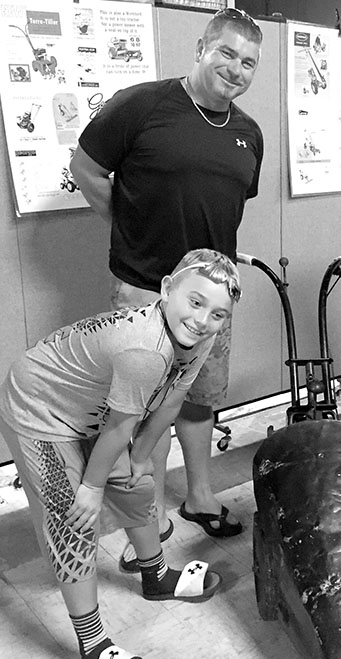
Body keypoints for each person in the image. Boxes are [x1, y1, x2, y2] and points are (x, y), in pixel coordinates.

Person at [70, 8, 264, 565]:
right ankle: (147, 518)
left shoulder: (248, 134)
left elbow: (226, 206)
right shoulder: (143, 105)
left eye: (248, 61)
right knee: (140, 412)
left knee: (198, 401)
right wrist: (128, 225)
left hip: (213, 301)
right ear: (201, 47)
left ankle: (199, 497)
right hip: (144, 296)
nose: (235, 68)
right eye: (226, 53)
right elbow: (85, 168)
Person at [0, 249, 242, 659]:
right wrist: (91, 487)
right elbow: (120, 426)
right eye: (195, 302)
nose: (203, 320)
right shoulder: (144, 349)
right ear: (167, 289)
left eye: (217, 313)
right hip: (41, 405)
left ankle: (157, 575)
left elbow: (172, 398)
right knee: (72, 519)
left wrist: (142, 457)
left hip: (94, 406)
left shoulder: (203, 334)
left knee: (138, 481)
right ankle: (92, 642)